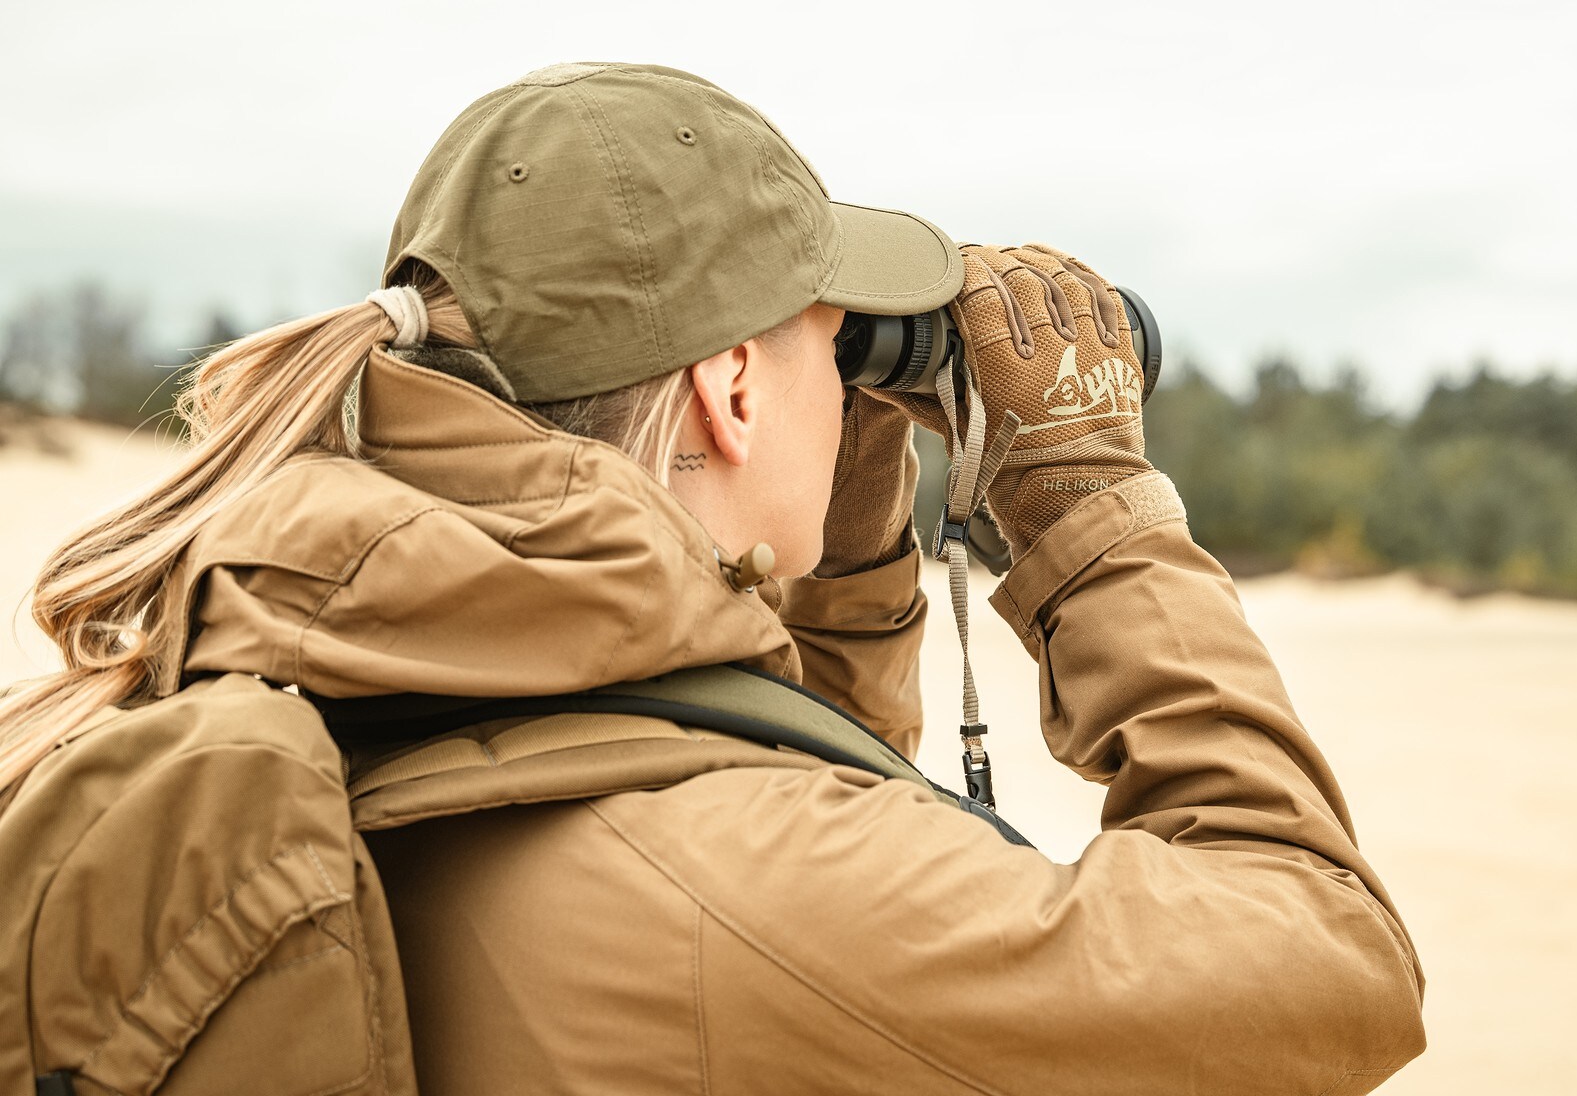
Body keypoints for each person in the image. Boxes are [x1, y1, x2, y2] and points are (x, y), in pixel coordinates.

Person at [7, 63, 1425, 1093]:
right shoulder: (755, 884)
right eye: (830, 341)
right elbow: (1326, 958)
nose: (848, 375)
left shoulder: (251, 664)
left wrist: (854, 519)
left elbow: (770, 783)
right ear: (731, 389)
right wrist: (1089, 500)